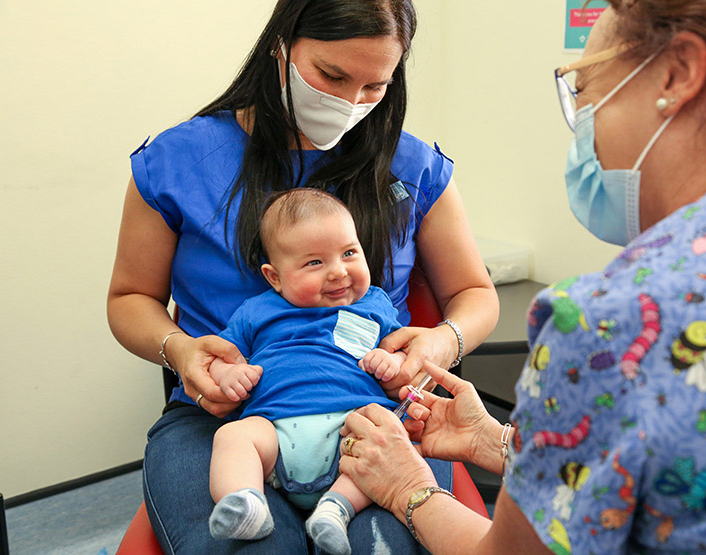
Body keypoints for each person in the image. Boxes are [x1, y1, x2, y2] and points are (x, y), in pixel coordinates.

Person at [337, 1, 706, 553]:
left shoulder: (617, 318)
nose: (585, 135)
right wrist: (500, 442)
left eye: (586, 92)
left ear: (678, 72)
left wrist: (410, 488)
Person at [106, 0, 499, 552]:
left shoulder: (412, 168)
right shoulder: (179, 161)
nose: (348, 103)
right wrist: (181, 351)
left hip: (376, 412)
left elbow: (473, 292)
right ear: (282, 44)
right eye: (331, 76)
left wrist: (442, 340)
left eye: (373, 86)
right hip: (225, 418)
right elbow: (129, 298)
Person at [208, 188, 409, 555]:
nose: (338, 271)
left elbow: (401, 351)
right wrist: (228, 376)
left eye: (349, 253)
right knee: (232, 438)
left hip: (354, 424)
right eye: (314, 263)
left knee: (391, 438)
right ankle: (246, 501)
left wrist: (390, 362)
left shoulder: (375, 303)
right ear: (275, 277)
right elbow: (221, 356)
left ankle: (336, 509)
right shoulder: (257, 310)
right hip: (276, 430)